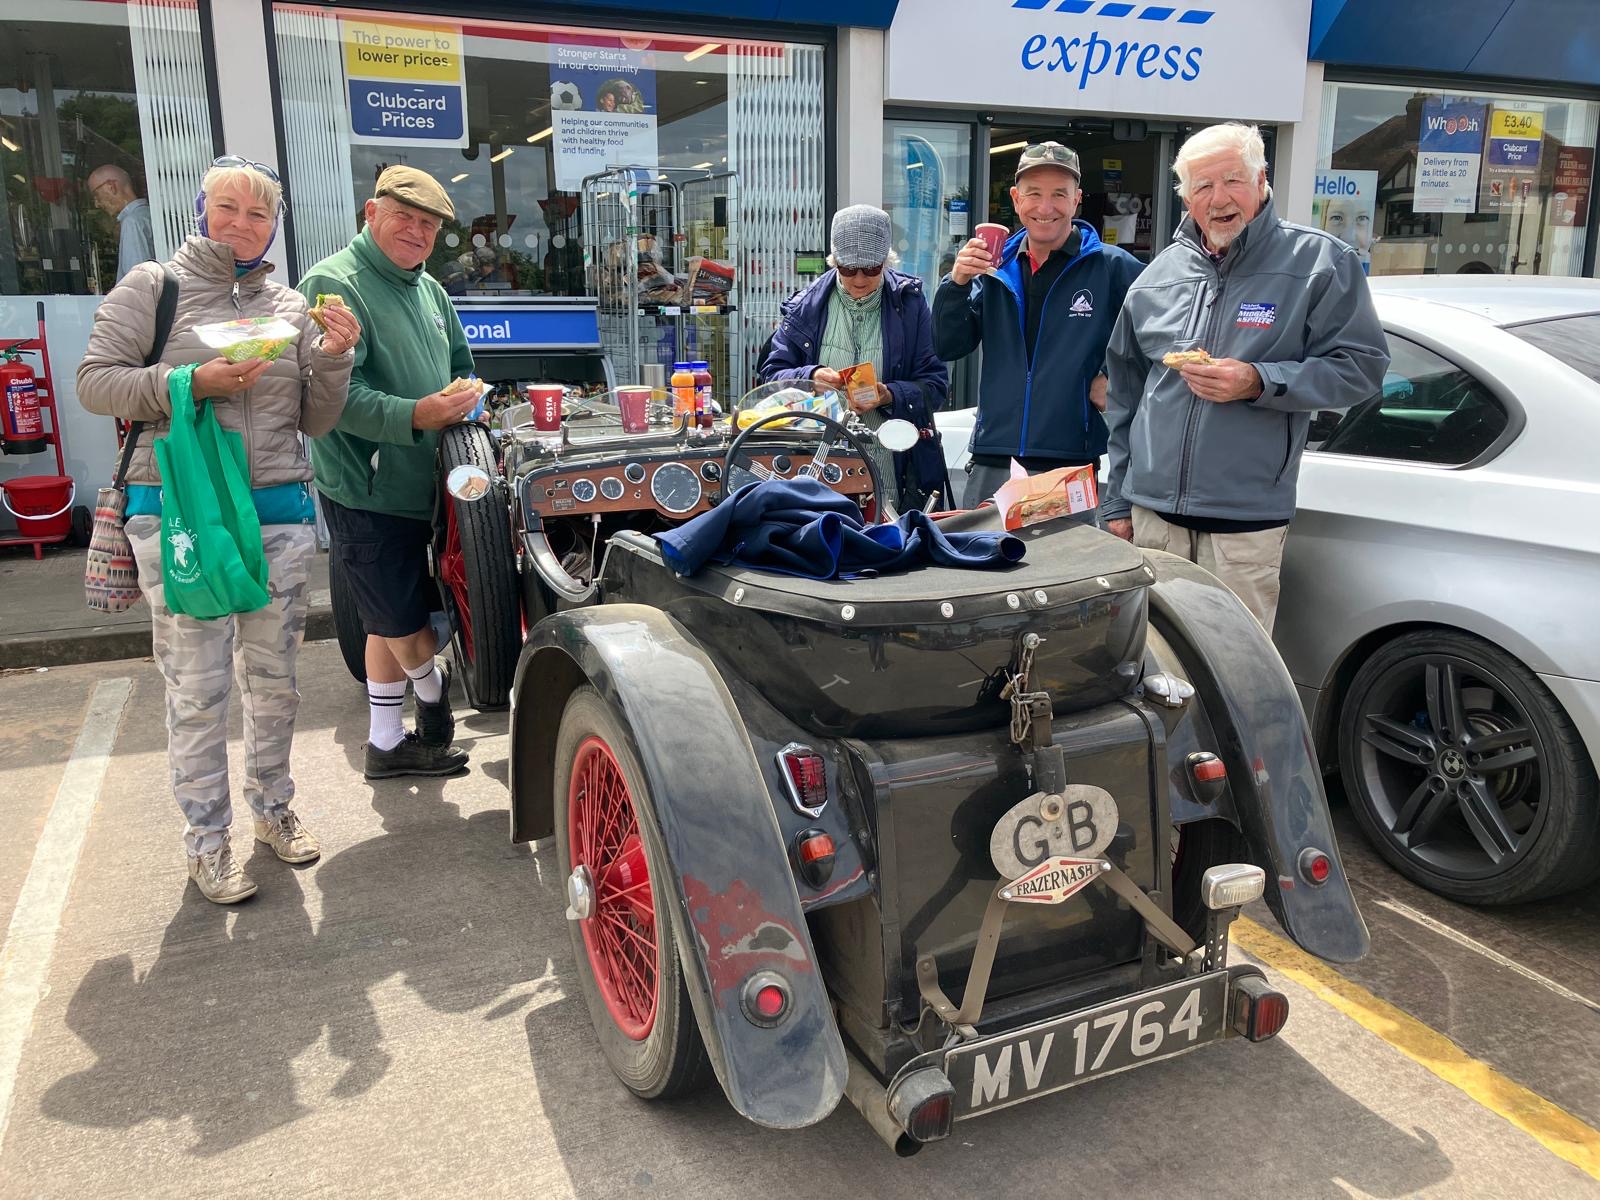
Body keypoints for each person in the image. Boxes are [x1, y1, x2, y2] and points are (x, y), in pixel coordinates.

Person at [77, 156, 359, 903]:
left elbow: (315, 420)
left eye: (258, 213)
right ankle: (206, 842)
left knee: (275, 684)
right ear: (201, 211)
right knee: (198, 690)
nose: (242, 224)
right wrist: (188, 383)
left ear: (275, 225)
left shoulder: (292, 306)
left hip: (276, 513)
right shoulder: (153, 288)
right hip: (179, 512)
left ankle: (272, 809)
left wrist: (335, 358)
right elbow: (94, 381)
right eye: (227, 208)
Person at [1103, 123, 1389, 632]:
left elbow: (1362, 368)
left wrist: (1259, 381)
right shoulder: (1158, 276)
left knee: (1238, 672)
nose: (1219, 199)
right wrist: (1118, 498)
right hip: (1154, 519)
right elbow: (1125, 397)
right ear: (1186, 198)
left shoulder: (1321, 263)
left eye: (1232, 180)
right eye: (1202, 187)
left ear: (1262, 181)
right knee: (1154, 665)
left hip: (1244, 523)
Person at [297, 166, 481, 781]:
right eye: (404, 216)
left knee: (383, 614)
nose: (417, 231)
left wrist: (465, 396)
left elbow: (460, 362)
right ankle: (432, 705)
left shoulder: (429, 290)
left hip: (424, 485)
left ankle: (383, 744)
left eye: (428, 224)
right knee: (403, 621)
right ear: (370, 214)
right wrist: (419, 414)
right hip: (367, 487)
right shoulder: (332, 283)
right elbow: (329, 399)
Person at [933, 142, 1143, 514]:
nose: (1045, 208)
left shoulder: (1112, 267)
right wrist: (957, 283)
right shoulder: (995, 267)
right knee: (986, 567)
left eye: (1059, 194)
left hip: (1068, 460)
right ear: (1016, 199)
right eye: (1034, 194)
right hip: (993, 458)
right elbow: (949, 345)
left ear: (1077, 200)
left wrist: (1113, 377)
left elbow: (1158, 341)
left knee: (1066, 572)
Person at [757, 205, 950, 511]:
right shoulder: (805, 307)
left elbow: (936, 386)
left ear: (886, 262)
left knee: (888, 537)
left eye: (872, 269)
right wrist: (810, 378)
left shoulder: (911, 305)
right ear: (834, 263)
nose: (859, 279)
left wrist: (889, 395)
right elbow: (771, 377)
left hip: (892, 462)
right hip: (817, 462)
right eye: (848, 269)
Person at [88, 164, 156, 282]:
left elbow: (138, 282)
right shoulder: (148, 215)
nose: (97, 204)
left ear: (111, 186)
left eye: (97, 195)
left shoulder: (132, 222)